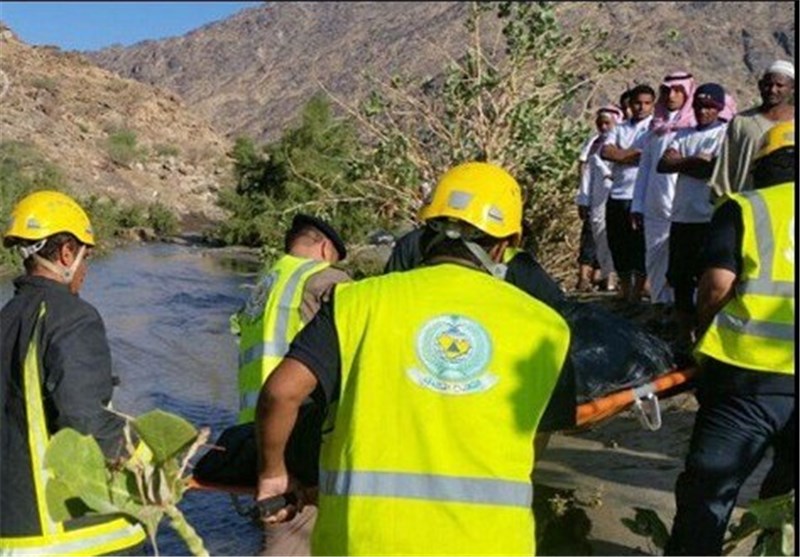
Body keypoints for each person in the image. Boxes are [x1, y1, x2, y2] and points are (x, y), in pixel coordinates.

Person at [255, 162, 573, 555]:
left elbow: (280, 393)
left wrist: (273, 474)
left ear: (425, 231)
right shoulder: (549, 329)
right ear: (506, 244)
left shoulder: (356, 302)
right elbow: (535, 438)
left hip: (363, 543)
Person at [664, 121, 795, 555]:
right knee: (789, 494)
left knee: (710, 491)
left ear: (760, 167)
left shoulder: (744, 208)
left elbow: (716, 287)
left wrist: (702, 335)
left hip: (746, 380)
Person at [0, 191, 146, 555]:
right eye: (86, 257)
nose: (85, 268)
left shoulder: (5, 320)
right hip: (74, 536)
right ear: (67, 252)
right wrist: (147, 456)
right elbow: (85, 421)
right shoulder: (74, 317)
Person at [231, 213, 349, 556]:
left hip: (254, 433)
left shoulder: (265, 283)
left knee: (276, 531)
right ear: (326, 248)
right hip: (298, 431)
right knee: (298, 538)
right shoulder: (325, 280)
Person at [657, 83, 730, 357]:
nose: (704, 111)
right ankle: (684, 337)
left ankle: (705, 335)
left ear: (719, 108)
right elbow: (663, 165)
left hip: (710, 217)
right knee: (680, 279)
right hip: (682, 217)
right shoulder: (683, 134)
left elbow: (711, 170)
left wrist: (684, 163)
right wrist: (695, 160)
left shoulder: (723, 134)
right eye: (699, 106)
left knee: (708, 281)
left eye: (710, 106)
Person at [632, 71, 697, 308]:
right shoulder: (655, 129)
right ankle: (659, 303)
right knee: (655, 256)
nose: (672, 95)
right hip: (654, 204)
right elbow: (644, 170)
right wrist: (637, 205)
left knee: (682, 259)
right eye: (667, 90)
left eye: (679, 90)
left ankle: (682, 308)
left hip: (685, 206)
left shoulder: (692, 128)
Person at [600, 84, 656, 303]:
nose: (641, 107)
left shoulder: (653, 129)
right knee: (618, 243)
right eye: (637, 103)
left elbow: (646, 155)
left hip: (639, 195)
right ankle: (624, 291)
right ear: (629, 104)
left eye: (646, 103)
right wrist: (629, 156)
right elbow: (606, 151)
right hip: (617, 195)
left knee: (639, 245)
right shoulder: (620, 128)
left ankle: (638, 292)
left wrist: (621, 155)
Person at [709, 59, 795, 197]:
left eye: (780, 85)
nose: (773, 90)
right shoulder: (742, 122)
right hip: (749, 204)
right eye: (768, 84)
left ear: (793, 88)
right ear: (760, 85)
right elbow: (725, 168)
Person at [576, 105, 623, 292]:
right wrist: (583, 199)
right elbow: (585, 172)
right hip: (595, 199)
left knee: (612, 237)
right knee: (592, 236)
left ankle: (608, 277)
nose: (603, 127)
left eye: (607, 123)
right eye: (600, 123)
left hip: (616, 196)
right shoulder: (593, 143)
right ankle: (589, 278)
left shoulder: (622, 142)